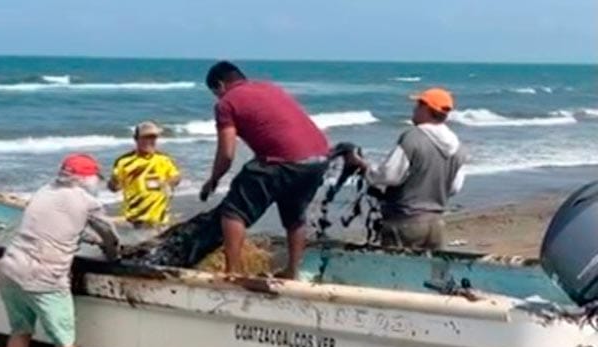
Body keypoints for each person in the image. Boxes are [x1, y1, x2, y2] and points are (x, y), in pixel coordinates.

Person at [0, 153, 120, 347]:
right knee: (64, 340)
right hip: (46, 276)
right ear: (86, 179)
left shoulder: (44, 190)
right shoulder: (88, 202)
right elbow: (110, 236)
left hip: (10, 267)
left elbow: (56, 222)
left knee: (20, 331)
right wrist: (112, 255)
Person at [200, 61, 330, 279]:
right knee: (295, 216)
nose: (218, 98)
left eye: (216, 93)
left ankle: (232, 273)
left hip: (285, 160)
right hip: (318, 158)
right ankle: (292, 272)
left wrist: (213, 179)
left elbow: (227, 153)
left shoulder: (226, 103)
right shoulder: (270, 88)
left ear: (220, 85)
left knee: (233, 212)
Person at [349, 88, 465, 250]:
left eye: (417, 106)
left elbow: (389, 176)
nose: (414, 110)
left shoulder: (413, 137)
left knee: (398, 270)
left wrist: (363, 166)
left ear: (426, 109)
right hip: (436, 222)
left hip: (404, 221)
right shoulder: (456, 146)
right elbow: (454, 187)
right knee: (428, 271)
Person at [108, 121, 180, 227]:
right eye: (145, 138)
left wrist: (168, 183)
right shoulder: (124, 161)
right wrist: (114, 182)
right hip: (134, 220)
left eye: (153, 138)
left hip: (160, 220)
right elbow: (114, 187)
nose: (149, 141)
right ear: (136, 139)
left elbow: (176, 177)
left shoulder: (164, 159)